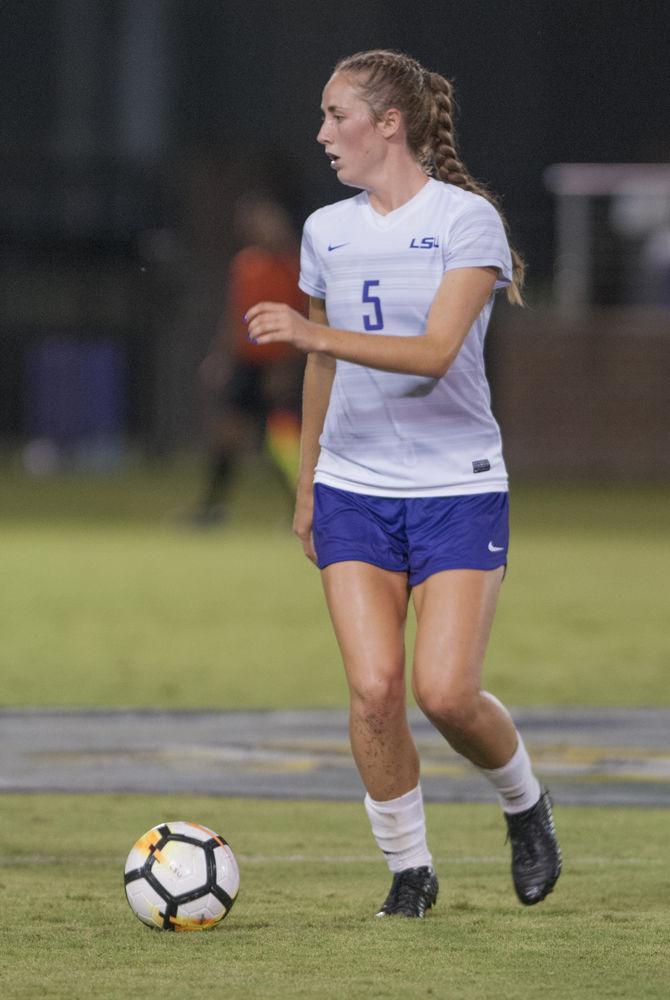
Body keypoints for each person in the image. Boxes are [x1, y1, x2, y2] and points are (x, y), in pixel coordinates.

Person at [246, 49, 561, 917]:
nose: (321, 133)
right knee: (376, 689)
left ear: (390, 123)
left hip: (457, 487)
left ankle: (525, 804)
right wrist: (308, 484)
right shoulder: (326, 231)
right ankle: (410, 872)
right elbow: (320, 376)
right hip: (353, 488)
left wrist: (317, 339)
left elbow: (430, 358)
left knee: (445, 691)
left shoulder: (468, 223)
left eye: (336, 114)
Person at [194, 194, 306, 524]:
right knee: (227, 434)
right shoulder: (246, 263)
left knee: (284, 442)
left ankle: (302, 509)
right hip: (247, 364)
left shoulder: (293, 264)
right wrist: (220, 356)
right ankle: (213, 508)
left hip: (278, 366)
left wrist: (286, 365)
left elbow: (302, 316)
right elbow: (234, 316)